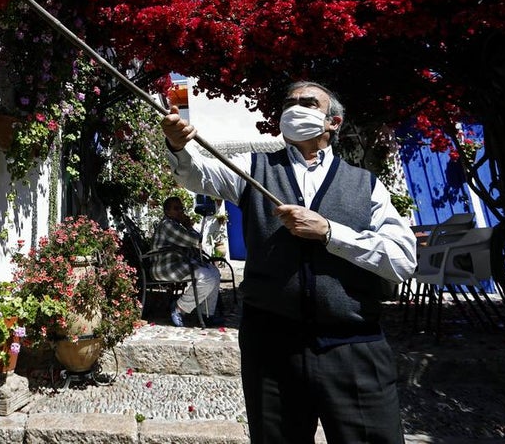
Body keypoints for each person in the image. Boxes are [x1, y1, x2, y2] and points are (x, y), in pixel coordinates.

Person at [161, 81, 417, 444]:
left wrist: (330, 232)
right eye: (289, 102)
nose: (295, 107)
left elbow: (403, 260)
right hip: (272, 350)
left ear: (333, 122)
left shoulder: (367, 185)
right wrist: (176, 144)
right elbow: (196, 174)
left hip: (353, 348)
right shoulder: (253, 167)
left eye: (308, 103)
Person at [150, 195, 223, 327]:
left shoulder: (176, 224)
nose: (181, 212)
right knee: (207, 277)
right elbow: (195, 240)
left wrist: (187, 227)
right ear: (167, 212)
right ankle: (179, 308)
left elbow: (194, 242)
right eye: (176, 209)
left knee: (214, 272)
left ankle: (207, 314)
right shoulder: (168, 225)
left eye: (181, 208)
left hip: (178, 264)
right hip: (166, 266)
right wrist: (189, 226)